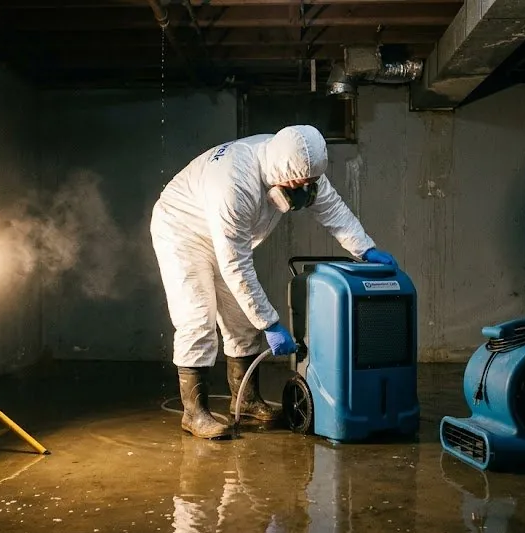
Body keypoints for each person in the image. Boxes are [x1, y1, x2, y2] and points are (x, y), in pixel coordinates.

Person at [150, 124, 397, 439]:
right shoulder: (234, 183)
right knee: (197, 316)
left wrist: (366, 249)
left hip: (227, 239)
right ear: (282, 173)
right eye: (299, 184)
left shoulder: (299, 161)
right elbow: (235, 264)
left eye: (310, 183)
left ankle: (249, 404)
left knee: (241, 320)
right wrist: (271, 323)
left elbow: (333, 210)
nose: (303, 191)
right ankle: (194, 413)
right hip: (182, 230)